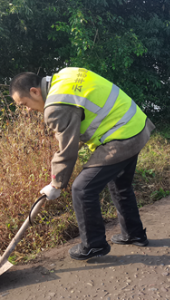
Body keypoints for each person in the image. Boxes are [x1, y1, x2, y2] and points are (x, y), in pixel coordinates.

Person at [9, 67, 155, 260]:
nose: (27, 110)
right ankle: (134, 234)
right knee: (120, 185)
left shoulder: (55, 106)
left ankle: (94, 245)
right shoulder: (65, 75)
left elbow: (67, 150)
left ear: (34, 91)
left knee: (82, 189)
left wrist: (56, 183)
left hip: (121, 138)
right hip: (136, 125)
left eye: (24, 103)